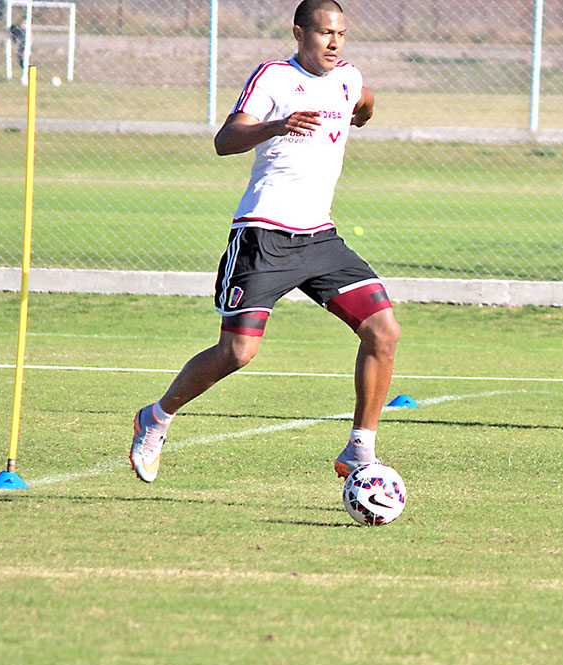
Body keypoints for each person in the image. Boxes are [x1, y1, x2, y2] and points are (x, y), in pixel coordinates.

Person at [130, 0, 399, 484]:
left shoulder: (347, 78)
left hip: (319, 237)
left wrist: (363, 113)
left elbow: (362, 100)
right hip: (263, 235)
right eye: (323, 33)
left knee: (383, 330)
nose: (334, 42)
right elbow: (225, 138)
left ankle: (361, 448)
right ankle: (156, 417)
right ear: (299, 34)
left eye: (340, 33)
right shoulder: (274, 77)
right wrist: (278, 125)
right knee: (236, 353)